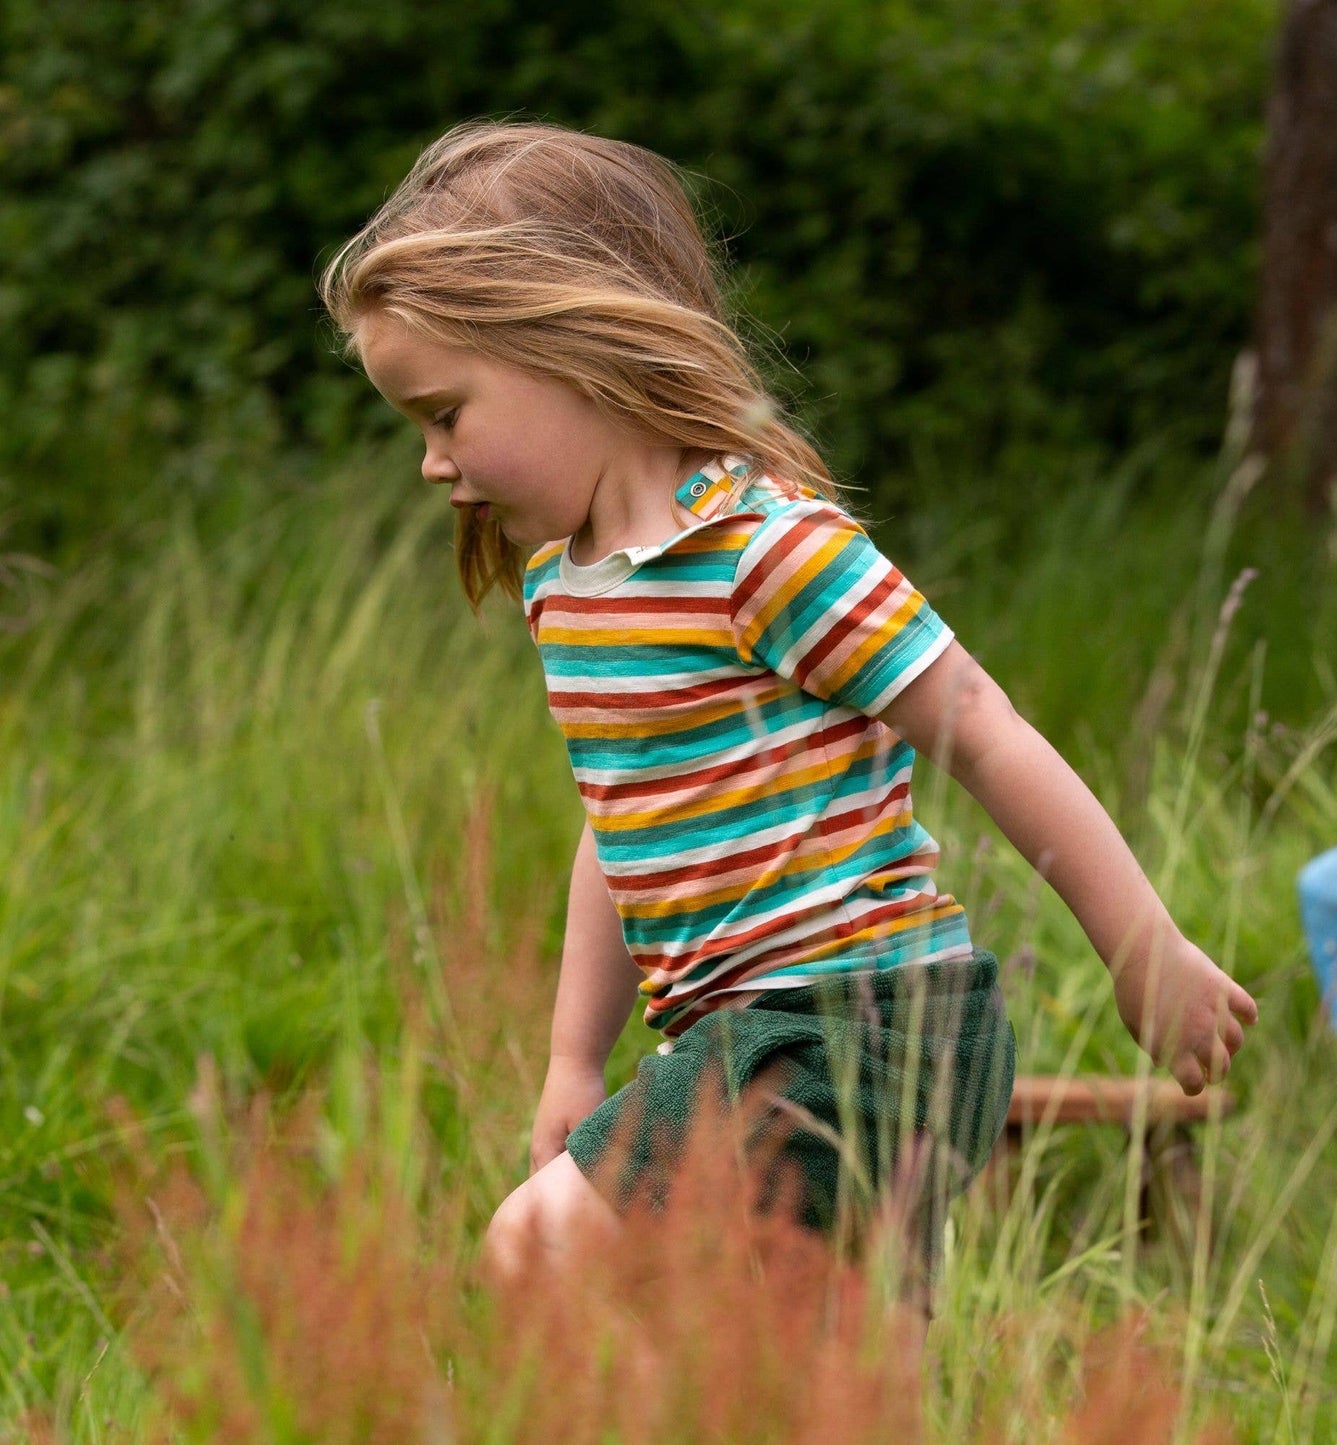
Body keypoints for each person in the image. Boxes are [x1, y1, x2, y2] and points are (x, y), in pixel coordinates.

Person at [320, 120, 1258, 1292]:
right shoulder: (566, 587)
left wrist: (1142, 949)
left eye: (445, 413)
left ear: (574, 349)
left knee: (534, 1252)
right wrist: (574, 1052)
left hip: (863, 1024)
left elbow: (979, 724)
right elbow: (621, 815)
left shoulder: (764, 550)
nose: (430, 462)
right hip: (747, 1035)